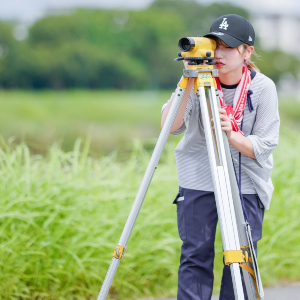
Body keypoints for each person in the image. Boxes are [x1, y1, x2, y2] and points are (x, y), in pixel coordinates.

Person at [161, 14, 280, 300]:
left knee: (239, 259)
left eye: (228, 46)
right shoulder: (198, 80)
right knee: (194, 256)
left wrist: (233, 135)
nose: (220, 53)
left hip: (246, 184)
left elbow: (265, 146)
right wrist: (187, 80)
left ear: (247, 51)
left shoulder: (262, 88)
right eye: (215, 45)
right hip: (198, 179)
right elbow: (170, 127)